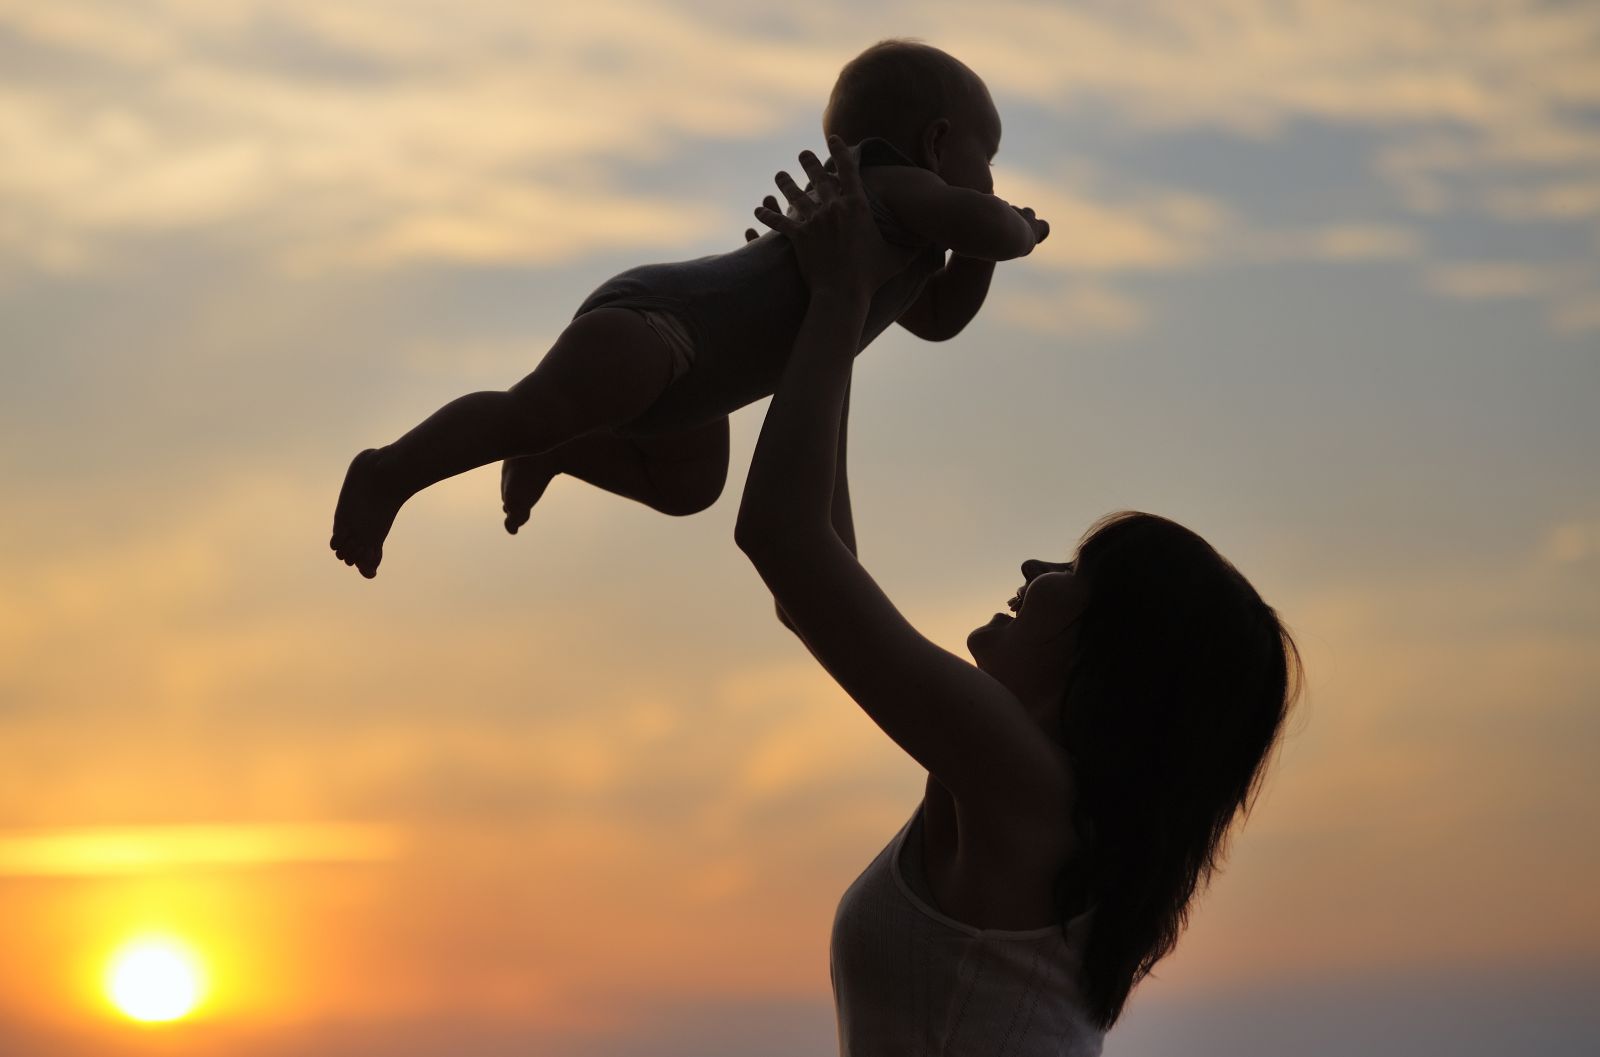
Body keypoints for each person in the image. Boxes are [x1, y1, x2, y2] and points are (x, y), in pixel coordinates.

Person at [736, 138, 1301, 1054]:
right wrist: (841, 308)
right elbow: (814, 569)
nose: (1038, 572)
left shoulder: (1026, 792)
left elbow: (790, 549)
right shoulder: (1017, 792)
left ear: (1109, 651)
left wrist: (840, 298)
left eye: (1077, 570)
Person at [330, 40, 1049, 578]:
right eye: (987, 158)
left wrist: (982, 251)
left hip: (698, 385)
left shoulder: (900, 250)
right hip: (665, 323)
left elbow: (942, 320)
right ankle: (389, 471)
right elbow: (986, 226)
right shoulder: (881, 181)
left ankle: (561, 450)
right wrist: (1012, 225)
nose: (990, 181)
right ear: (938, 141)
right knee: (534, 406)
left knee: (690, 487)